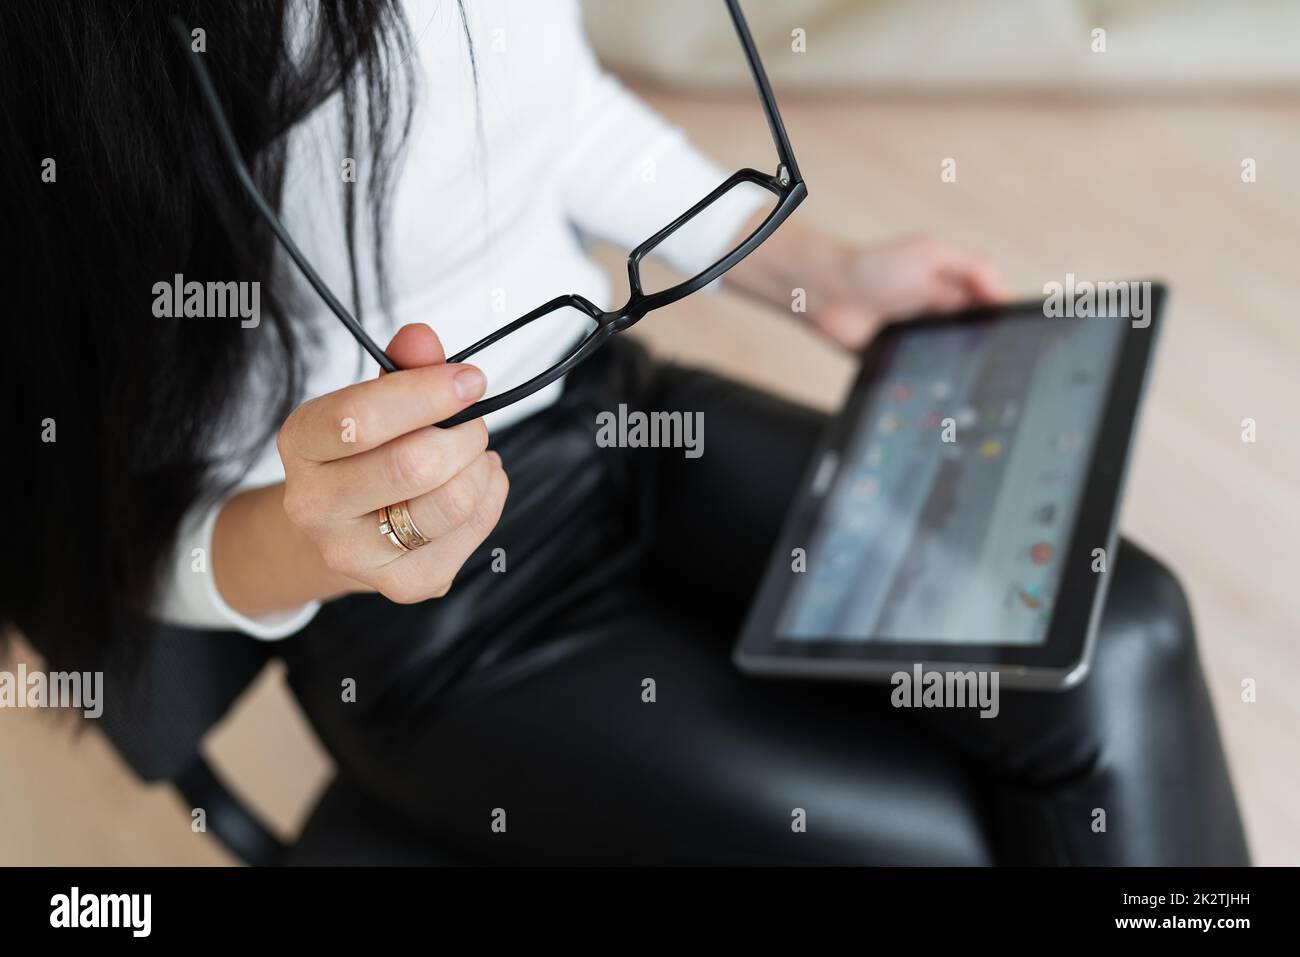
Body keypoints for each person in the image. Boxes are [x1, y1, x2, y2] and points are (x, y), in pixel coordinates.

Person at [0, 0, 1247, 864]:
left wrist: (816, 276)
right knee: (969, 839)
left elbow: (560, 112)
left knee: (1120, 631)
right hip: (432, 623)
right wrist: (317, 536)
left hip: (614, 418)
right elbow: (89, 530)